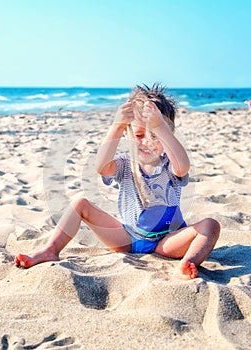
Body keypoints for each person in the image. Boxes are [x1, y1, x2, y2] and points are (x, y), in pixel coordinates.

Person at [15, 83, 220, 280]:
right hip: (127, 238)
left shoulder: (171, 164)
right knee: (80, 204)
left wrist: (161, 127)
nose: (147, 142)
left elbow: (183, 166)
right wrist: (116, 125)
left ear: (170, 135)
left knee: (211, 226)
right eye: (139, 135)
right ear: (127, 134)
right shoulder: (124, 165)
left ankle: (187, 263)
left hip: (167, 241)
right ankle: (50, 251)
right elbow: (101, 167)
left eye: (156, 135)